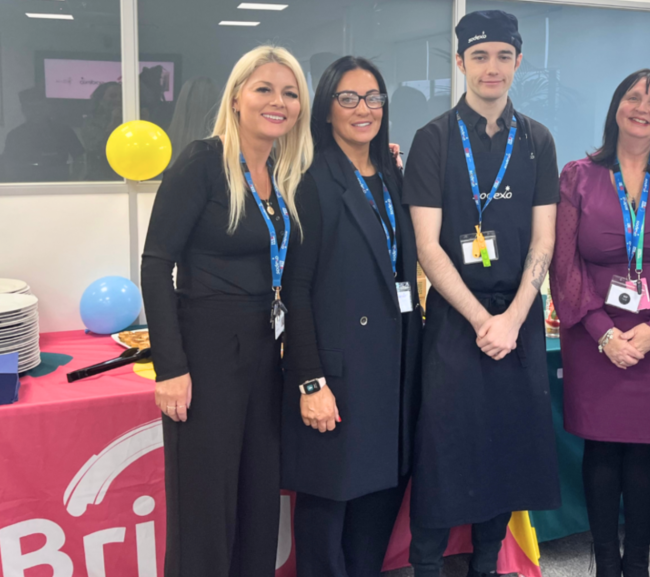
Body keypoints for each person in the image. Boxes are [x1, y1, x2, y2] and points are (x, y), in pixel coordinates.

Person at [141, 45, 313, 577]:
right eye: (264, 88)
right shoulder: (202, 161)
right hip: (207, 349)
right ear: (237, 96)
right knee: (205, 508)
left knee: (258, 498)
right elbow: (155, 265)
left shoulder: (282, 175)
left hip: (265, 349)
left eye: (289, 92)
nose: (277, 101)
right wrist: (170, 366)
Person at [402, 10, 561, 577]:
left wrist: (515, 319)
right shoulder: (433, 140)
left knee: (507, 452)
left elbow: (543, 241)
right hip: (454, 321)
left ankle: (487, 566)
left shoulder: (539, 140)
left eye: (502, 57)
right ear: (461, 62)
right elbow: (427, 246)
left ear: (518, 62)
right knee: (444, 452)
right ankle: (425, 565)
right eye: (479, 56)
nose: (491, 68)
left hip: (518, 318)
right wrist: (479, 319)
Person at [550, 69, 650, 577]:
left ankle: (637, 560)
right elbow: (565, 263)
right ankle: (604, 562)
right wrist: (603, 333)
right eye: (634, 97)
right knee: (600, 447)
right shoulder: (578, 174)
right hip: (594, 332)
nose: (644, 107)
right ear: (617, 106)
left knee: (645, 451)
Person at [280, 55, 423, 577]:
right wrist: (310, 382)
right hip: (338, 372)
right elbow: (294, 290)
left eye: (373, 98)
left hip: (394, 366)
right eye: (348, 98)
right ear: (326, 109)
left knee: (380, 494)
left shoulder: (390, 175)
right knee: (329, 503)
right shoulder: (310, 180)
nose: (363, 109)